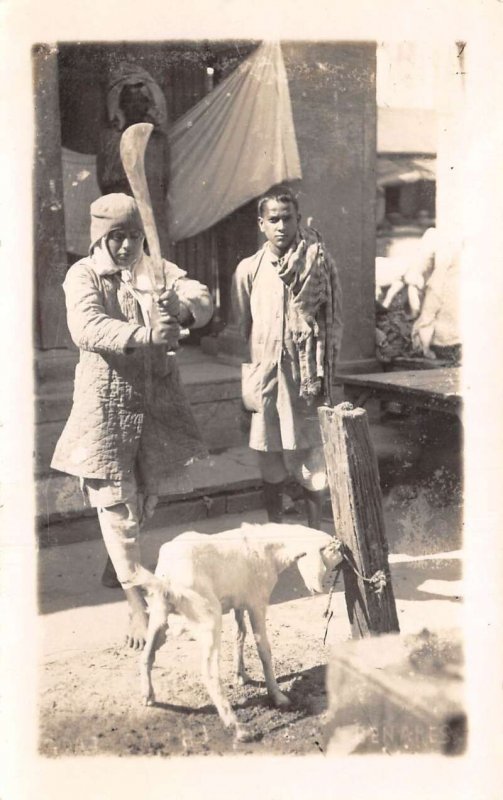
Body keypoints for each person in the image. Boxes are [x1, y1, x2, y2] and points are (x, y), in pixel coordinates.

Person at [51, 193, 213, 649]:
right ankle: (136, 606)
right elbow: (87, 326)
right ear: (100, 237)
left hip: (156, 398)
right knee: (116, 500)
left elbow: (199, 296)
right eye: (116, 237)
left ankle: (118, 559)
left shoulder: (154, 268)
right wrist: (145, 333)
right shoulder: (83, 275)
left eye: (133, 236)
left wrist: (182, 309)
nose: (125, 246)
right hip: (106, 402)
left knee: (146, 494)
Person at [232, 184, 343, 529]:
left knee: (312, 460)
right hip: (266, 377)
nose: (281, 226)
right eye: (274, 219)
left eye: (288, 218)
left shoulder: (318, 264)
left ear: (298, 220)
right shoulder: (248, 270)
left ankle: (315, 532)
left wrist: (319, 367)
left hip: (305, 380)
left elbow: (335, 320)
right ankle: (276, 529)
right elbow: (244, 325)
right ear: (261, 224)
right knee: (269, 457)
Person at [97, 62, 171, 257]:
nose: (135, 106)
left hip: (154, 217)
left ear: (148, 104)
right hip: (123, 217)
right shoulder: (111, 140)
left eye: (140, 101)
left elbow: (165, 183)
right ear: (121, 105)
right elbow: (104, 182)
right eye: (129, 101)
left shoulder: (158, 141)